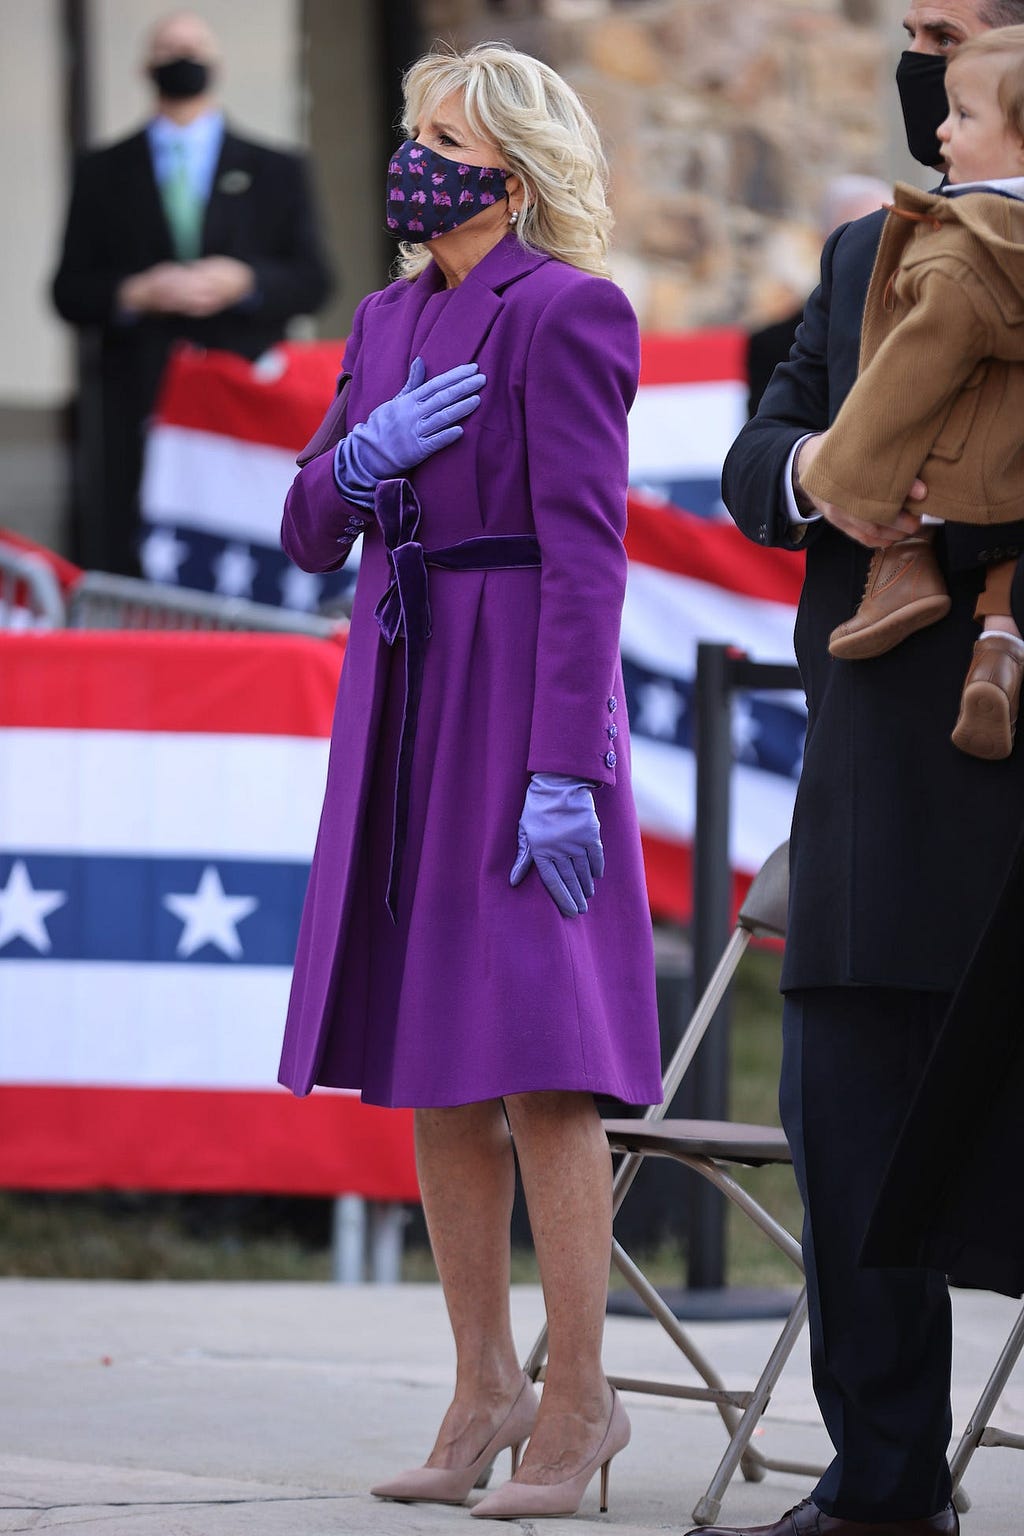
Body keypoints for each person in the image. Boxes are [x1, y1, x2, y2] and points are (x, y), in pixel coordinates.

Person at [277, 42, 662, 1521]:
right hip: (405, 684)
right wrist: (362, 460)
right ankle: (482, 1381)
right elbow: (311, 524)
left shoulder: (569, 311)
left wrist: (566, 766)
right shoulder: (380, 317)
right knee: (436, 1055)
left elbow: (589, 557)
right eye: (410, 130)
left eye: (440, 137)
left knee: (539, 1060)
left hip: (518, 704)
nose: (413, 160)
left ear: (507, 167)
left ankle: (582, 1404)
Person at [694, 3, 1024, 1535]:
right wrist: (830, 490)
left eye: (955, 42)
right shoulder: (858, 258)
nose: (926, 72)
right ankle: (884, 1487)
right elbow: (757, 453)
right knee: (854, 1143)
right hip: (880, 781)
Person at [803, 29, 1024, 761]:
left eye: (963, 116)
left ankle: (903, 564)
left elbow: (910, 374)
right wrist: (798, 469)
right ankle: (1001, 644)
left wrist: (847, 476)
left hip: (956, 481)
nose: (938, 129)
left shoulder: (964, 246)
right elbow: (769, 437)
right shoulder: (861, 247)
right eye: (911, 34)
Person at [52, 9, 333, 576]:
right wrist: (134, 292)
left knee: (237, 558)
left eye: (193, 47)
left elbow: (314, 278)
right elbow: (68, 291)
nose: (182, 58)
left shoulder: (276, 168)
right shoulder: (104, 171)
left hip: (241, 401)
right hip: (139, 401)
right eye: (168, 48)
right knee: (135, 554)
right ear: (145, 67)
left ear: (217, 65)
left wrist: (245, 280)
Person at [745, 176, 892, 418]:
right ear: (824, 243)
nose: (880, 251)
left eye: (890, 235)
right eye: (865, 238)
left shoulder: (925, 318)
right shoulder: (773, 346)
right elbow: (767, 442)